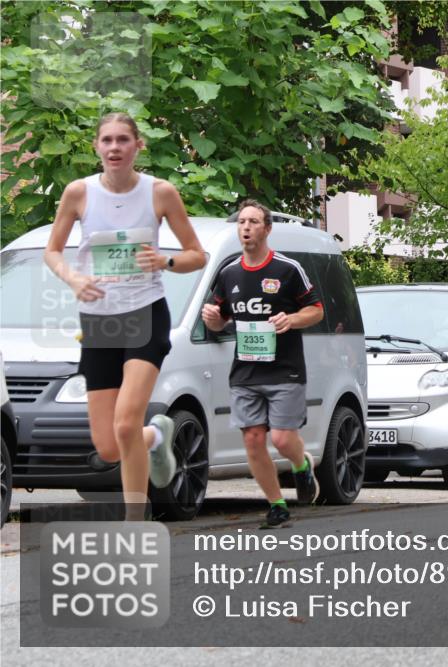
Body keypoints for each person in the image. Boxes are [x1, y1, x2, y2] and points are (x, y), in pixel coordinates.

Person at [44, 112, 206, 520]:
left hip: (144, 315)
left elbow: (196, 255)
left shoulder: (161, 192)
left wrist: (164, 260)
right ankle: (156, 436)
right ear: (97, 147)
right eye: (107, 141)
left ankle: (136, 519)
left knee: (125, 422)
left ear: (138, 146)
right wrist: (73, 278)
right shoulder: (78, 193)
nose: (114, 148)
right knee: (109, 446)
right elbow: (52, 251)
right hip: (98, 319)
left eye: (123, 140)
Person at [201, 199, 324, 527]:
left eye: (254, 222)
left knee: (283, 439)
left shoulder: (286, 269)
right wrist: (212, 318)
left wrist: (293, 319)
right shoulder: (228, 273)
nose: (246, 228)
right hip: (245, 371)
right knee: (253, 439)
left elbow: (317, 310)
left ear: (267, 229)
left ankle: (301, 465)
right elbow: (218, 322)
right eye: (242, 222)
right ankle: (277, 504)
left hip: (285, 369)